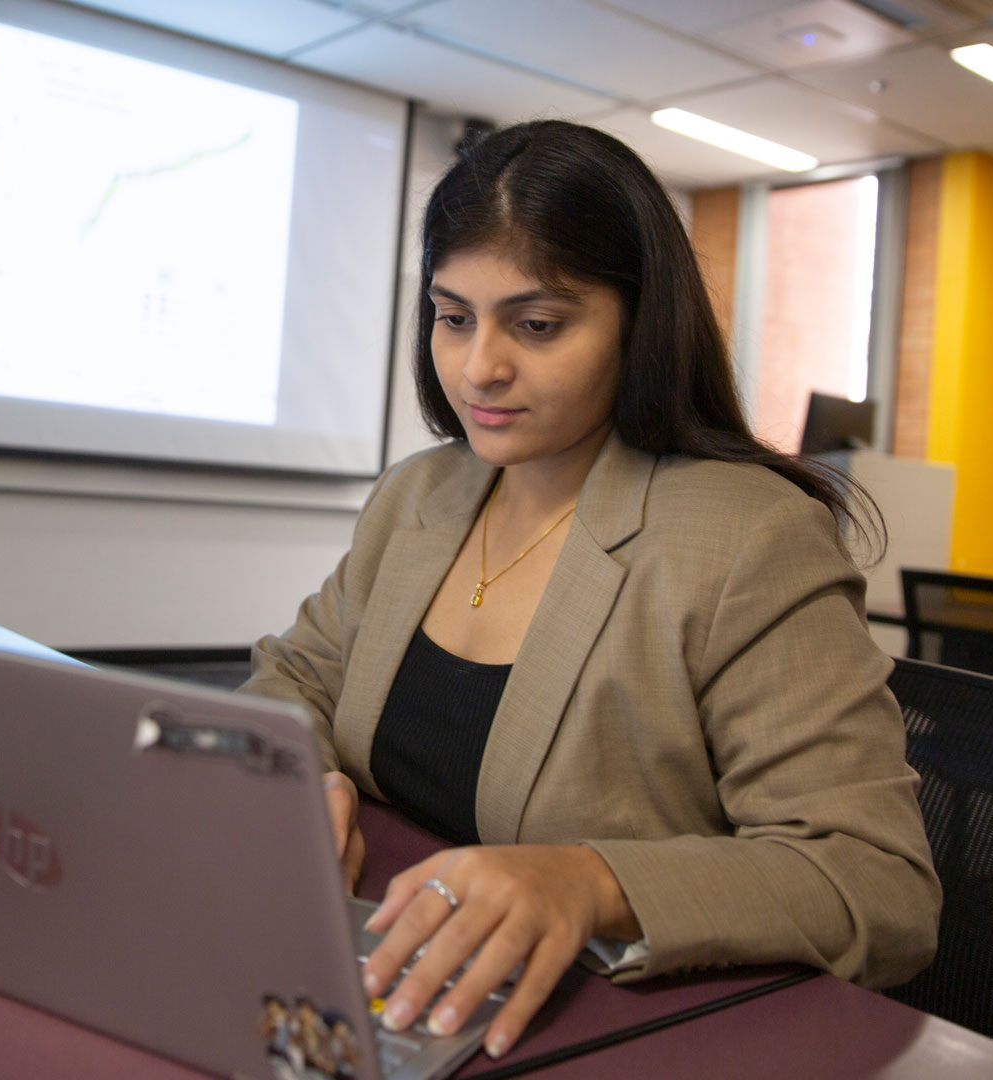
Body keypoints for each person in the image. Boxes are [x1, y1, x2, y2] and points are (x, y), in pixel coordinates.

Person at [239, 120, 940, 1061]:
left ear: (638, 323)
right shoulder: (422, 494)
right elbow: (299, 674)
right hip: (392, 973)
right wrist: (298, 771)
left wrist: (587, 881)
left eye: (537, 325)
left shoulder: (748, 538)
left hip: (610, 1024)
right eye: (454, 317)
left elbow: (875, 882)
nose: (480, 365)